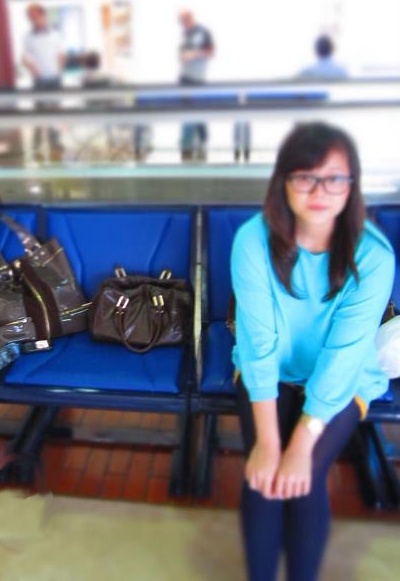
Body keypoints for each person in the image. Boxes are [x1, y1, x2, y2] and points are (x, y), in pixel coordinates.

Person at [230, 121, 395, 581]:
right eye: (306, 176)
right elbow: (259, 345)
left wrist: (301, 444)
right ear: (283, 181)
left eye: (334, 178)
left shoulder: (374, 257)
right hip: (268, 371)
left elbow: (342, 359)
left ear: (351, 185)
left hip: (343, 378)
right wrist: (268, 444)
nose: (320, 191)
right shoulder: (252, 240)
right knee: (263, 478)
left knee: (303, 478)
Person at [22, 3, 65, 161]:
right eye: (30, 18)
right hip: (39, 81)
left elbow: (61, 54)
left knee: (55, 112)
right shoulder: (27, 37)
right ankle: (37, 145)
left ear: (43, 16)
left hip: (54, 79)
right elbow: (25, 57)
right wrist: (32, 68)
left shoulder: (55, 34)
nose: (33, 21)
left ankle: (55, 142)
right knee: (39, 113)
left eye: (35, 17)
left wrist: (59, 71)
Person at [178, 9, 214, 161]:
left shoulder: (203, 32)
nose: (183, 24)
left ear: (190, 18)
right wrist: (184, 56)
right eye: (181, 21)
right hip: (185, 78)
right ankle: (186, 149)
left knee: (198, 114)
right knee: (187, 114)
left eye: (184, 20)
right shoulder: (185, 35)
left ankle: (202, 144)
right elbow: (181, 56)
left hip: (198, 80)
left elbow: (210, 52)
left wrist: (194, 54)